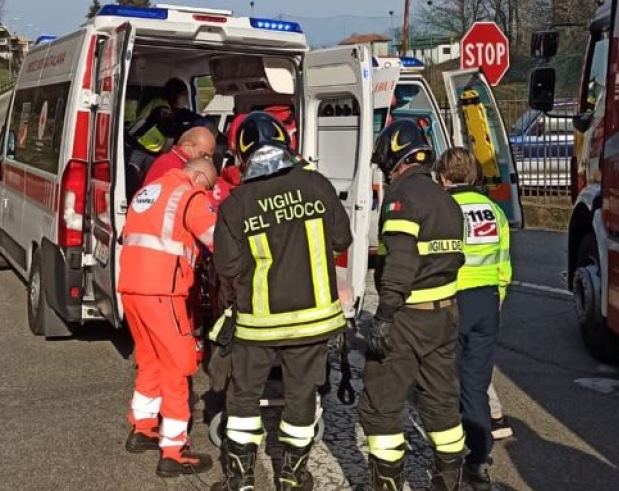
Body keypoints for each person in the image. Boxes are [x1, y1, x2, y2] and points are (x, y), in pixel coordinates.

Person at [209, 112, 352, 491]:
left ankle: (239, 479)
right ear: (286, 144)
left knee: (243, 399)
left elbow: (227, 265)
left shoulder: (236, 202)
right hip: (313, 321)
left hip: (257, 324)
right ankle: (292, 475)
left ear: (242, 156)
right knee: (302, 398)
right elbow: (342, 240)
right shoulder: (317, 185)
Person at [359, 119, 467, 491]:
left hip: (407, 319)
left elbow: (401, 263)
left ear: (394, 156)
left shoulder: (402, 196)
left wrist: (384, 316)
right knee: (441, 402)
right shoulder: (445, 199)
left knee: (381, 406)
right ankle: (448, 482)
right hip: (445, 315)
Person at [116, 158, 219, 478]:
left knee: (150, 359)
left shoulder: (149, 191)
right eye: (208, 186)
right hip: (164, 291)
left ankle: (143, 427)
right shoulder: (190, 196)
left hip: (131, 287)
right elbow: (218, 239)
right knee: (179, 364)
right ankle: (174, 450)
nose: (207, 192)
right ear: (200, 176)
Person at [434, 147, 512, 491]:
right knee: (476, 384)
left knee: (445, 383)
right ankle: (478, 459)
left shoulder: (445, 208)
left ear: (443, 176)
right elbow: (505, 264)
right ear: (474, 176)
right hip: (488, 302)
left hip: (454, 301)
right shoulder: (495, 211)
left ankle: (448, 455)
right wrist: (496, 301)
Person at [142, 126, 218, 187]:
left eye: (210, 157)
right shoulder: (173, 167)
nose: (208, 161)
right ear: (186, 146)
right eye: (203, 155)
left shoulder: (170, 161)